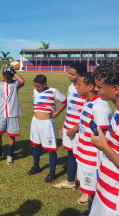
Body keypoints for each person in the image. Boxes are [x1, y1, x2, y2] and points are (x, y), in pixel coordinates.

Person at [73, 72, 111, 215]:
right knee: (89, 191)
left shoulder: (98, 106)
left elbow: (104, 137)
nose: (76, 87)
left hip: (93, 161)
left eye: (79, 84)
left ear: (90, 86)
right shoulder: (89, 103)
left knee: (95, 192)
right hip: (84, 157)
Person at [90, 61, 119, 216]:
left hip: (114, 202)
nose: (95, 89)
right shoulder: (117, 111)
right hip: (105, 188)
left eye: (99, 87)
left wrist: (104, 147)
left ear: (115, 89)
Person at [27, 74, 67, 183]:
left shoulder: (53, 91)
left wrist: (57, 112)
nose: (36, 88)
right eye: (35, 86)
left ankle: (52, 173)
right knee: (35, 145)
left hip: (46, 123)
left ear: (45, 84)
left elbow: (65, 101)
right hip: (35, 122)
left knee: (51, 148)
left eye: (39, 86)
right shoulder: (35, 91)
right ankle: (36, 167)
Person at [54, 63, 87, 191]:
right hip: (69, 128)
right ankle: (70, 181)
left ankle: (86, 186)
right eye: (69, 73)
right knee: (70, 154)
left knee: (81, 157)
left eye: (72, 74)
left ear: (81, 75)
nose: (69, 76)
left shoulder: (86, 89)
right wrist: (64, 126)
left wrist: (75, 129)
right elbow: (70, 109)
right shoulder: (70, 87)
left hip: (79, 130)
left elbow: (88, 113)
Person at [0, 66, 24, 165]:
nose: (7, 79)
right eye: (5, 77)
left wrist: (14, 73)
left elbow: (22, 81)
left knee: (11, 135)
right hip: (1, 113)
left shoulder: (15, 84)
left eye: (9, 77)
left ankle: (10, 155)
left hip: (12, 113)